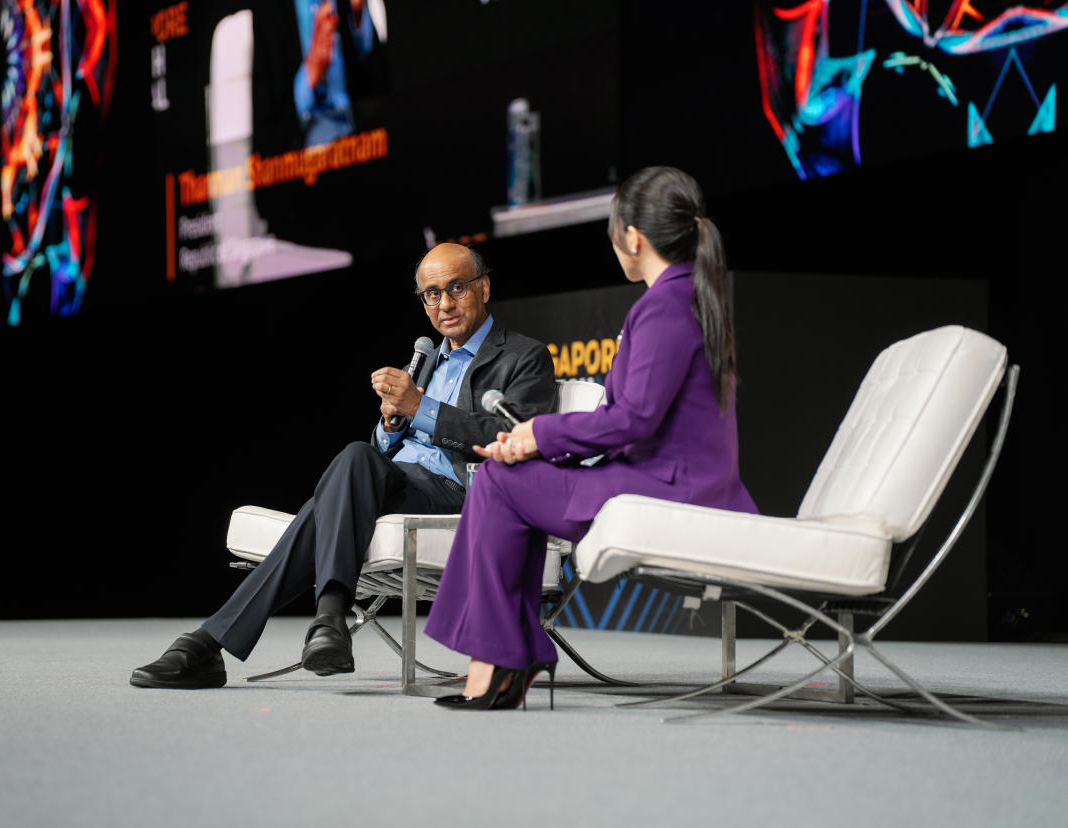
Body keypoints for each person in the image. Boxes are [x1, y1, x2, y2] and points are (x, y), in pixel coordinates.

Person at [131, 243, 556, 688]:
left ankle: (218, 641)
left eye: (456, 288)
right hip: (398, 485)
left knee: (346, 471)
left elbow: (518, 437)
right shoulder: (430, 360)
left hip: (460, 494)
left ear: (483, 287)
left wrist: (419, 407)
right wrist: (392, 424)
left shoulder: (523, 356)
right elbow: (387, 448)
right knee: (355, 462)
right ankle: (319, 622)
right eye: (432, 294)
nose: (445, 303)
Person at [423, 167, 758, 709]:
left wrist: (537, 435)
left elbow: (633, 421)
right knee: (502, 478)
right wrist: (535, 443)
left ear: (632, 237)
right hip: (664, 474)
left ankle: (501, 658)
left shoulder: (667, 306)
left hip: (668, 487)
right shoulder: (684, 296)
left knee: (499, 481)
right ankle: (503, 654)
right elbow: (637, 421)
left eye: (612, 229)